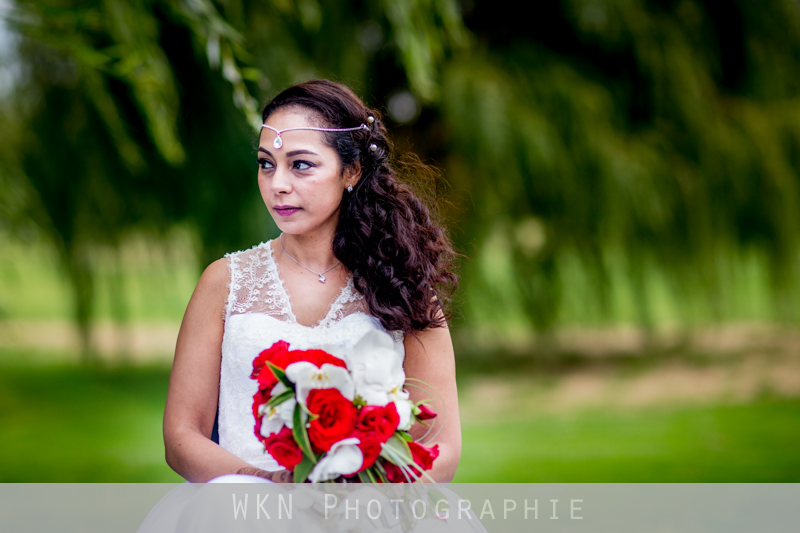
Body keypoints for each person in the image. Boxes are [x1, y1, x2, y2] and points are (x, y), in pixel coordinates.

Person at [162, 79, 461, 483]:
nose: (278, 184)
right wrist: (268, 484)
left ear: (351, 171)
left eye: (300, 164)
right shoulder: (224, 282)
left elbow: (439, 445)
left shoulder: (403, 285)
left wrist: (359, 498)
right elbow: (181, 437)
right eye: (266, 163)